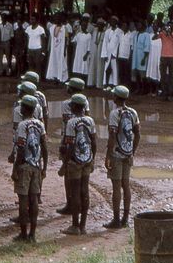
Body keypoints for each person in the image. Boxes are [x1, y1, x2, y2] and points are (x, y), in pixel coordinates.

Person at [11, 95, 47, 243]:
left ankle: (23, 234)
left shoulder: (22, 125)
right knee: (34, 200)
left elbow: (20, 149)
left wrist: (15, 169)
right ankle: (32, 234)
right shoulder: (40, 124)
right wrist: (44, 166)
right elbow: (44, 146)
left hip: (24, 165)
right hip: (36, 165)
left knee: (23, 200)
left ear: (23, 109)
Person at [104, 86, 140, 229]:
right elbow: (138, 134)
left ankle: (116, 219)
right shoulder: (133, 112)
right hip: (128, 153)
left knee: (116, 187)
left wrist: (108, 154)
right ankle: (125, 218)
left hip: (117, 154)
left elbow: (112, 136)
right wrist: (132, 151)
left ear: (116, 98)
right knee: (126, 185)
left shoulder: (114, 113)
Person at [60, 94, 96, 235]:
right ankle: (83, 225)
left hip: (74, 161)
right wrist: (92, 158)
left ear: (74, 106)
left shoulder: (71, 122)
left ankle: (75, 225)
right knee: (84, 191)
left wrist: (65, 163)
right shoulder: (90, 121)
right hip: (87, 159)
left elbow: (70, 145)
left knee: (75, 192)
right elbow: (93, 142)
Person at [57, 78, 87, 215]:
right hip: (83, 141)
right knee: (83, 178)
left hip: (68, 140)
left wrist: (64, 145)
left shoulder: (66, 104)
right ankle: (80, 203)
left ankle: (71, 204)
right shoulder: (85, 102)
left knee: (68, 174)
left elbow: (66, 122)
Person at [46, 14, 70, 82]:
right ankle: (55, 77)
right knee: (54, 63)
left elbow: (66, 40)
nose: (57, 20)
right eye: (56, 18)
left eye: (58, 18)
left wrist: (64, 50)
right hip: (54, 49)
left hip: (61, 49)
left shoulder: (65, 28)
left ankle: (61, 78)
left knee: (61, 63)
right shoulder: (52, 28)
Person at [102, 16, 122, 90]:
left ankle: (114, 84)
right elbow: (104, 43)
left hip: (114, 53)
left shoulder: (119, 31)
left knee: (114, 69)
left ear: (116, 22)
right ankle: (106, 84)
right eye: (111, 21)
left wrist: (115, 53)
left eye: (113, 21)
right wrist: (104, 54)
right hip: (107, 52)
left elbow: (119, 44)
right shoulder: (107, 31)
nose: (112, 22)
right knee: (106, 69)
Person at [71, 14, 92, 81]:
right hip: (78, 52)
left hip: (85, 53)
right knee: (77, 66)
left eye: (84, 26)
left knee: (84, 67)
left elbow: (89, 46)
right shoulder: (79, 34)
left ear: (86, 27)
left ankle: (84, 80)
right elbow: (73, 41)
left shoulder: (89, 35)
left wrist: (86, 54)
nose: (83, 27)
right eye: (82, 26)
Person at [132, 21, 150, 94]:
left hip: (142, 56)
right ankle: (138, 89)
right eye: (137, 25)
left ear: (143, 26)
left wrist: (144, 58)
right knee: (136, 73)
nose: (138, 26)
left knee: (142, 73)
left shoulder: (146, 35)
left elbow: (147, 47)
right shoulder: (136, 34)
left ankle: (144, 90)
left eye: (139, 25)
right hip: (135, 56)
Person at [88, 18, 107, 89]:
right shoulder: (94, 32)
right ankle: (91, 83)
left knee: (100, 68)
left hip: (101, 53)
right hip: (93, 52)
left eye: (101, 25)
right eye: (98, 24)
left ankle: (98, 84)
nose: (99, 26)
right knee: (92, 67)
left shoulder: (105, 33)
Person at [156, 23, 173, 100]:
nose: (168, 27)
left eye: (170, 26)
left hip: (171, 57)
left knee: (171, 76)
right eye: (167, 26)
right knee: (163, 76)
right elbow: (154, 38)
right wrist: (160, 31)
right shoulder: (162, 33)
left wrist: (169, 34)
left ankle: (170, 94)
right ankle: (164, 93)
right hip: (163, 57)